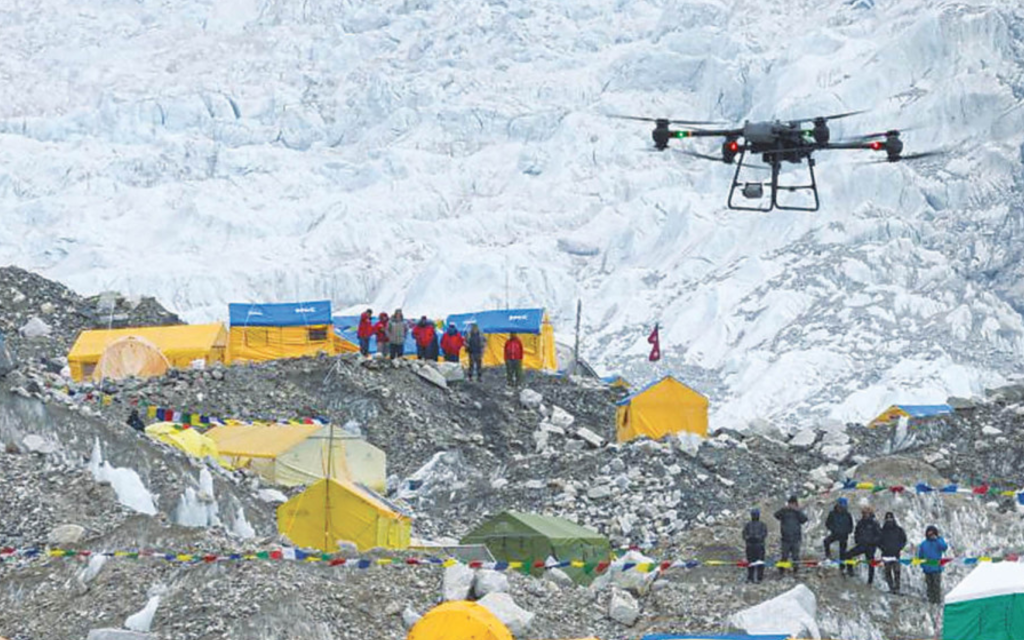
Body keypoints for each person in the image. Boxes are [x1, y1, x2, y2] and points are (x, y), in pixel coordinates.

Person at [844, 505, 882, 585]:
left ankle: (870, 581)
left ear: (870, 513)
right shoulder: (861, 523)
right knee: (848, 554)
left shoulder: (874, 523)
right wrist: (857, 540)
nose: (864, 515)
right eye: (863, 513)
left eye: (865, 513)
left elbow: (879, 535)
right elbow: (856, 532)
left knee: (871, 563)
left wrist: (872, 542)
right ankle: (850, 572)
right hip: (861, 545)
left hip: (870, 547)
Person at [773, 495, 808, 576]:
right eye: (790, 503)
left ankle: (795, 570)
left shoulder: (798, 512)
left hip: (796, 538)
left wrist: (797, 511)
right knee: (784, 556)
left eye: (793, 504)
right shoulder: (784, 511)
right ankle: (782, 570)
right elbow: (776, 515)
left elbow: (804, 519)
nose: (792, 505)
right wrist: (783, 509)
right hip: (785, 538)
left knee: (795, 556)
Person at [918, 524, 948, 604]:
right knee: (929, 587)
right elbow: (920, 556)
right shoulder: (924, 544)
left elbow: (944, 547)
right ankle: (931, 602)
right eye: (929, 533)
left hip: (936, 568)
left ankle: (937, 602)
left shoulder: (939, 541)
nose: (930, 535)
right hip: (927, 569)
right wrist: (923, 566)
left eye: (932, 533)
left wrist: (937, 539)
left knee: (936, 586)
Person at [824, 497, 854, 576]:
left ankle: (842, 568)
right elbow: (827, 523)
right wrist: (833, 529)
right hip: (835, 533)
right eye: (840, 505)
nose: (841, 507)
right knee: (826, 541)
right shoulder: (832, 513)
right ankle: (828, 555)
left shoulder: (847, 514)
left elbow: (851, 525)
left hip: (844, 535)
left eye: (843, 506)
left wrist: (847, 531)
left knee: (842, 553)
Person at [879, 512, 907, 594]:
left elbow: (904, 540)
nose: (889, 520)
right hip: (886, 554)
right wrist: (883, 548)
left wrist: (899, 548)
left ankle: (897, 588)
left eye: (890, 518)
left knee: (897, 572)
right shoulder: (882, 531)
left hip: (896, 554)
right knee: (888, 572)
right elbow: (878, 541)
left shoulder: (899, 530)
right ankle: (891, 588)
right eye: (887, 519)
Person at [742, 508, 768, 583]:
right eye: (754, 515)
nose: (755, 516)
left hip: (759, 546)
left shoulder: (762, 525)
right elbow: (744, 534)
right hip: (750, 546)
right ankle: (750, 577)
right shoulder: (748, 525)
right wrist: (749, 537)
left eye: (756, 514)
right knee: (750, 562)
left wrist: (757, 537)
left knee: (760, 562)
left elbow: (764, 534)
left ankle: (759, 578)